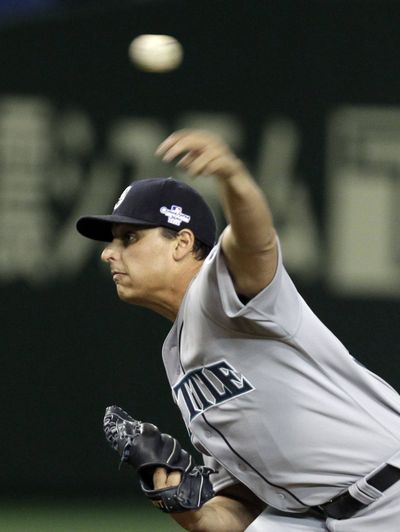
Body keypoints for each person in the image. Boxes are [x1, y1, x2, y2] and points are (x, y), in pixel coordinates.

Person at [76, 129, 400, 531]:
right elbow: (233, 514)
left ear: (182, 242)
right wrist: (171, 492)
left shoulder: (220, 289)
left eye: (130, 237)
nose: (109, 252)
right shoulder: (175, 357)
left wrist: (232, 177)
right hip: (309, 516)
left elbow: (256, 242)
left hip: (390, 492)